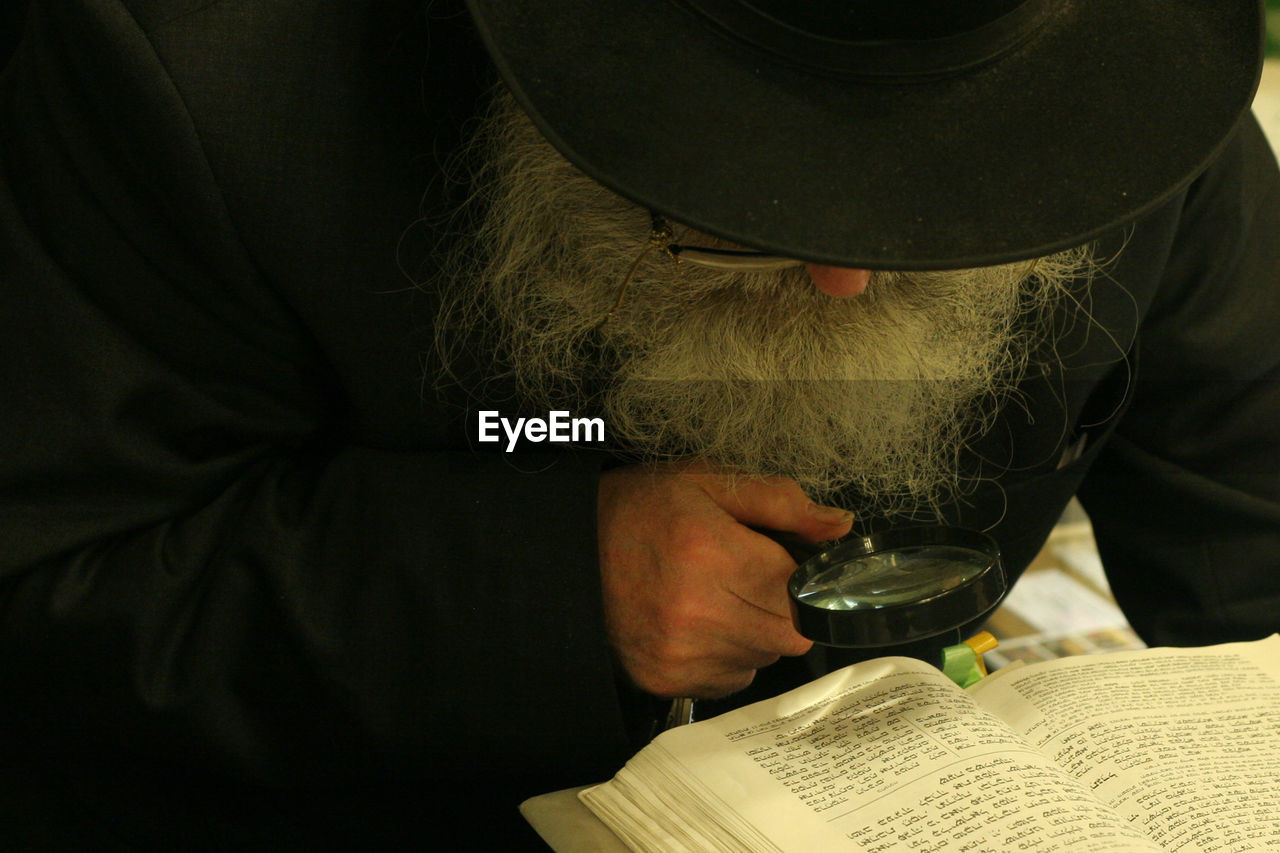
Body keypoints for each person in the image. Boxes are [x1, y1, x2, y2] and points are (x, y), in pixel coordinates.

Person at [1, 0, 1276, 848]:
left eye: (958, 202)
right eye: (743, 203)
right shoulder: (187, 65)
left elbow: (1256, 501)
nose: (851, 274)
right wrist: (543, 584)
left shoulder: (1119, 73)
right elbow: (54, 582)